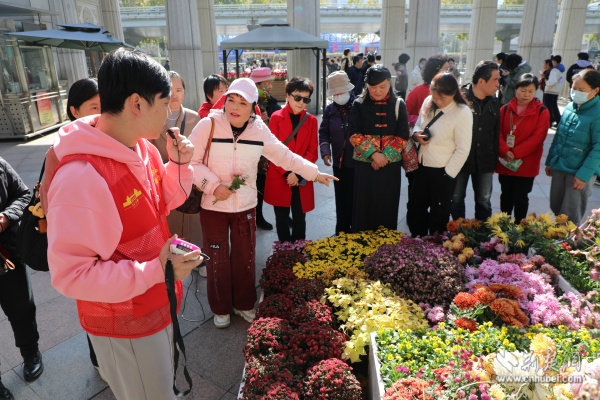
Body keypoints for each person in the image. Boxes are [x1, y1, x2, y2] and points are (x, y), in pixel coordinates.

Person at [46, 48, 203, 400]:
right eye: (164, 103)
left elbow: (163, 202)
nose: (170, 112)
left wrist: (179, 165)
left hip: (156, 301)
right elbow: (71, 276)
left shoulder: (142, 148)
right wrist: (156, 270)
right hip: (126, 324)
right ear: (136, 103)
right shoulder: (81, 177)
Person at [187, 78, 336, 329]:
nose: (235, 107)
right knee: (216, 257)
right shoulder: (208, 124)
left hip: (245, 204)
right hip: (213, 205)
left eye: (242, 103)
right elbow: (191, 161)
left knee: (245, 257)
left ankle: (244, 304)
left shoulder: (259, 130)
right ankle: (220, 308)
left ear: (253, 107)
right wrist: (213, 185)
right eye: (231, 100)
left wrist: (313, 173)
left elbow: (284, 156)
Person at [41, 78, 102, 376]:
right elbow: (49, 200)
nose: (101, 113)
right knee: (93, 300)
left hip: (107, 237)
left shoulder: (111, 140)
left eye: (105, 106)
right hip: (83, 241)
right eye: (94, 107)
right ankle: (99, 359)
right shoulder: (60, 150)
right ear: (74, 111)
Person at [149, 71, 203, 273]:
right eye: (170, 90)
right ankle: (171, 263)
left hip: (192, 184)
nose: (174, 94)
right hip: (164, 183)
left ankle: (197, 260)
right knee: (170, 229)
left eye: (179, 89)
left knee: (194, 225)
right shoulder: (152, 119)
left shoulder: (195, 117)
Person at [407, 72, 473, 237]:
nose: (437, 101)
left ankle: (435, 246)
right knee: (415, 209)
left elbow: (463, 148)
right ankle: (417, 242)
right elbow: (418, 124)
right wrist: (416, 134)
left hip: (443, 170)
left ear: (453, 93)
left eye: (442, 98)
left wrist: (448, 174)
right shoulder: (428, 101)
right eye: (435, 96)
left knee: (439, 215)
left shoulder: (462, 111)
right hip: (422, 166)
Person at [349, 66, 410, 232]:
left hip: (390, 165)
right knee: (364, 206)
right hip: (364, 165)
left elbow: (403, 135)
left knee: (387, 205)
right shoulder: (358, 104)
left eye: (382, 86)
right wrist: (373, 154)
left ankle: (386, 244)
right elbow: (353, 134)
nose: (377, 91)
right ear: (366, 85)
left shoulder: (398, 104)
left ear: (390, 83)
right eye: (373, 87)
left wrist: (385, 156)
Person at [0, 158, 41, 400]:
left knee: (22, 308)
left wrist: (5, 217)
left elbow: (24, 195)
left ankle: (31, 353)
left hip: (7, 252)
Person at [264, 77, 318, 242]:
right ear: (287, 95)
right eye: (297, 97)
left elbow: (312, 151)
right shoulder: (276, 117)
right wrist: (288, 173)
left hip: (301, 175)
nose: (301, 102)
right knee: (281, 218)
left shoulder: (311, 120)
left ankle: (299, 249)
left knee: (300, 217)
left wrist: (298, 173)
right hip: (280, 174)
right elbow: (272, 150)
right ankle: (284, 252)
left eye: (306, 99)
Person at [546, 69, 600, 225]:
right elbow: (559, 136)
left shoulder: (598, 113)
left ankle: (567, 240)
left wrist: (584, 175)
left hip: (579, 172)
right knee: (556, 207)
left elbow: (598, 148)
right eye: (574, 88)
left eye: (581, 90)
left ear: (595, 90)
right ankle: (556, 237)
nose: (576, 93)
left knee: (570, 216)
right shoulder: (570, 107)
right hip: (560, 166)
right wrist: (551, 161)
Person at [451, 61, 501, 222]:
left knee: (484, 200)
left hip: (485, 160)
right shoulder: (459, 100)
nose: (498, 84)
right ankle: (458, 232)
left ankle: (483, 233)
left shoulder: (495, 103)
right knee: (456, 199)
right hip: (461, 159)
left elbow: (496, 133)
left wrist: (494, 162)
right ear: (481, 81)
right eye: (495, 80)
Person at [497, 73, 550, 223]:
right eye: (523, 90)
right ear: (516, 89)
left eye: (531, 91)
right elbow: (497, 133)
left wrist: (515, 152)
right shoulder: (505, 109)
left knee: (521, 197)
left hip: (526, 162)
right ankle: (503, 226)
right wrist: (504, 150)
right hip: (506, 160)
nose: (526, 94)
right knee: (505, 195)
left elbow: (538, 138)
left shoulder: (542, 111)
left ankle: (520, 228)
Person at [319, 71, 356, 234]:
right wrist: (325, 151)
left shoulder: (359, 107)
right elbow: (324, 132)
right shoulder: (330, 110)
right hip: (339, 163)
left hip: (358, 162)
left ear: (349, 90)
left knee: (355, 198)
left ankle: (355, 230)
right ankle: (341, 230)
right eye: (335, 94)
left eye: (341, 92)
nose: (338, 96)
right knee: (341, 197)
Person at [249, 67, 282, 231]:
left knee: (277, 183)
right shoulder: (247, 104)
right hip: (254, 153)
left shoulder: (273, 104)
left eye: (270, 83)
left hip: (271, 151)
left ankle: (283, 214)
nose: (269, 86)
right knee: (258, 186)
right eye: (266, 83)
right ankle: (258, 216)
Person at [406, 54, 449, 128]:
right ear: (436, 70)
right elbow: (404, 114)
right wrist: (418, 121)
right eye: (446, 69)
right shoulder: (417, 91)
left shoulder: (450, 92)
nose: (449, 73)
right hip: (420, 132)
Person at [544, 55, 565, 127]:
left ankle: (549, 122)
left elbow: (552, 81)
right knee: (554, 107)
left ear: (555, 61)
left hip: (550, 91)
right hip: (556, 90)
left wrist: (546, 82)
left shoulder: (554, 70)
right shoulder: (562, 70)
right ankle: (558, 121)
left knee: (549, 107)